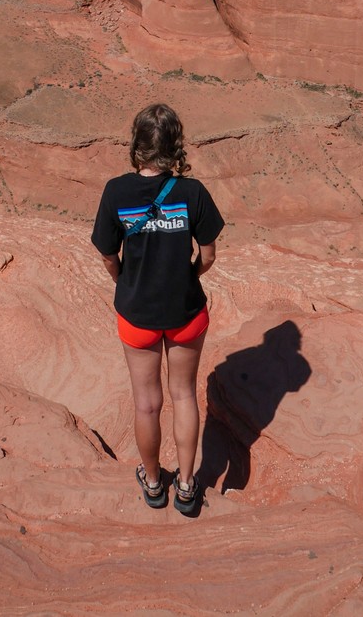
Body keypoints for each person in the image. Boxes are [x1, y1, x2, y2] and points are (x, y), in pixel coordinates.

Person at [91, 102, 225, 515]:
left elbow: (108, 254)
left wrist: (124, 279)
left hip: (138, 314)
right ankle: (186, 485)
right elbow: (208, 255)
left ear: (137, 145)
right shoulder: (192, 193)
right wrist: (189, 276)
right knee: (183, 395)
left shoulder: (117, 191)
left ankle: (153, 483)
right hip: (186, 312)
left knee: (147, 403)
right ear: (175, 146)